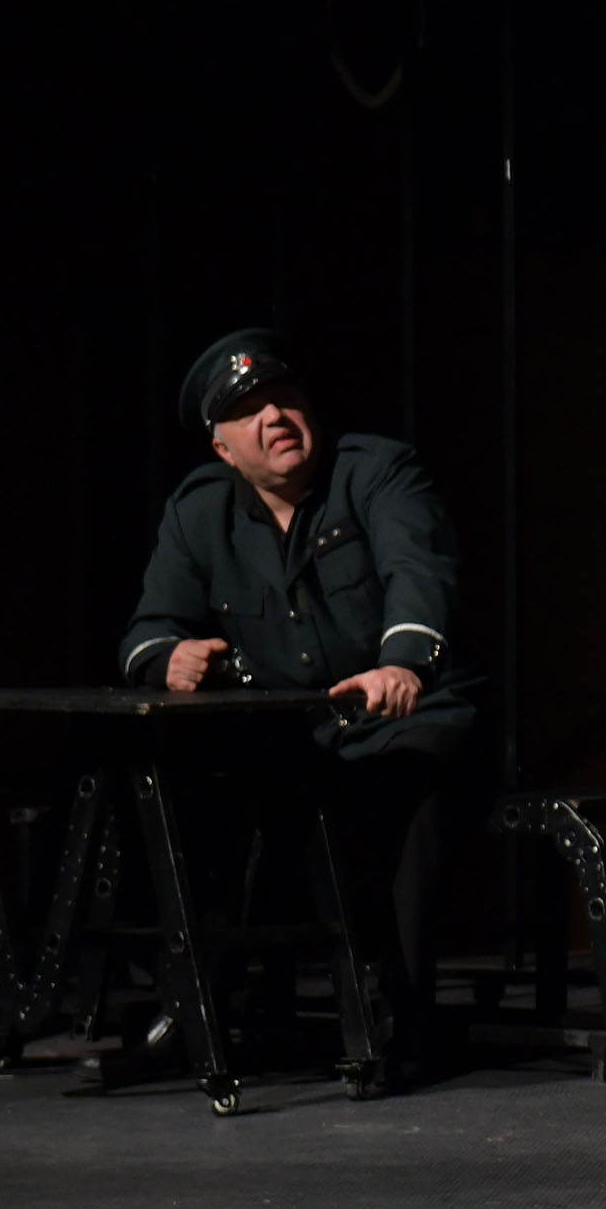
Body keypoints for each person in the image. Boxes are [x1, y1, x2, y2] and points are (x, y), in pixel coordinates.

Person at [121, 328, 475, 1077]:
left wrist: (401, 663)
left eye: (284, 399)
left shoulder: (375, 471)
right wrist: (166, 659)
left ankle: (398, 1018)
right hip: (294, 735)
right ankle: (197, 1007)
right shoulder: (199, 511)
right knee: (183, 786)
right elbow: (147, 632)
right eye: (249, 412)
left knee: (404, 785)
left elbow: (418, 573)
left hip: (400, 718)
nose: (274, 417)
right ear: (223, 449)